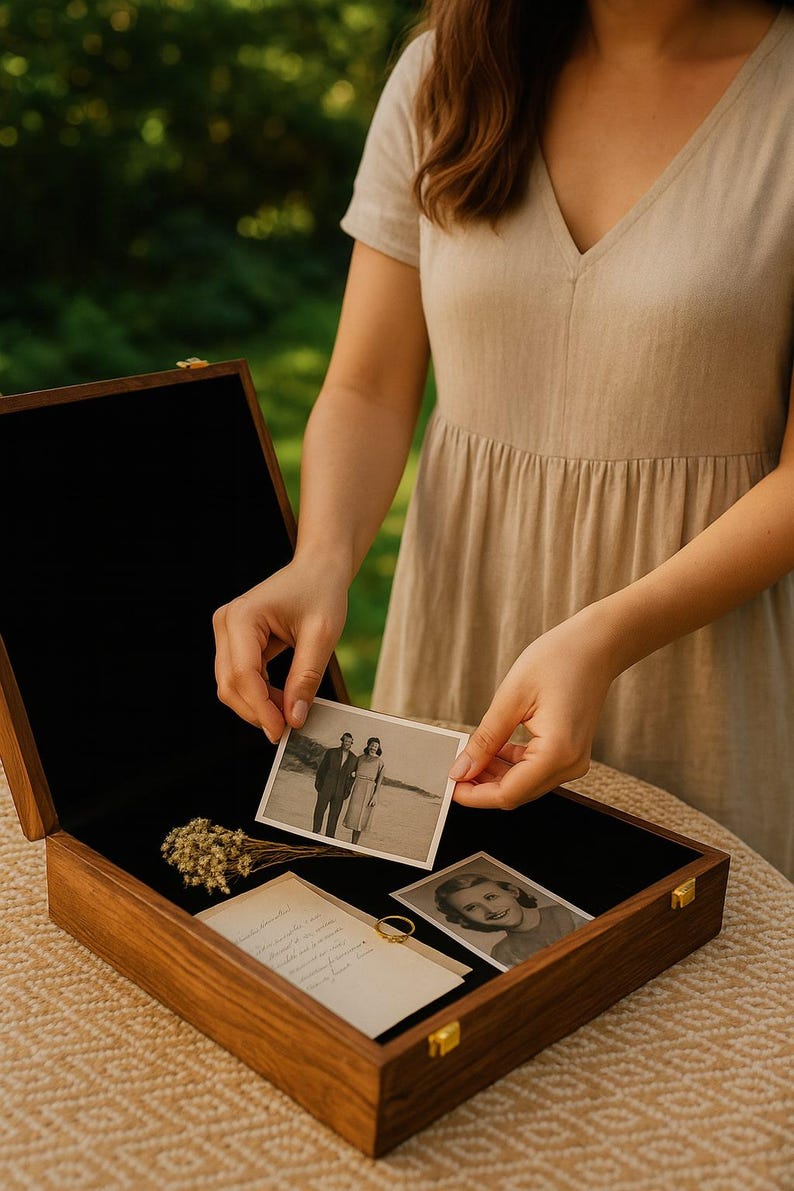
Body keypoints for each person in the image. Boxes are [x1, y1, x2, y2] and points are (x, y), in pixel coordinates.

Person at [213, 1, 794, 879]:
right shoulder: (443, 74)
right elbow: (368, 385)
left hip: (700, 667)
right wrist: (322, 557)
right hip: (461, 630)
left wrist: (604, 638)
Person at [434, 872, 582, 967]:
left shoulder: (569, 914)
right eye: (472, 908)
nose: (490, 910)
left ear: (513, 892)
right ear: (464, 918)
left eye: (491, 897)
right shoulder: (503, 954)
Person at [312, 731, 357, 837]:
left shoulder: (354, 759)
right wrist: (319, 785)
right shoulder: (331, 752)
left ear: (352, 743)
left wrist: (347, 791)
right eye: (346, 741)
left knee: (334, 815)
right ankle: (315, 832)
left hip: (340, 791)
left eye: (350, 742)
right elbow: (322, 769)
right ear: (342, 741)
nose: (347, 743)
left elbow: (352, 778)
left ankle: (329, 836)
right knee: (319, 810)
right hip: (326, 787)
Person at [343, 737, 385, 844]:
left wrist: (375, 796)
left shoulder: (380, 763)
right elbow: (351, 772)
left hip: (369, 790)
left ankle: (355, 843)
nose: (373, 748)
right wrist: (352, 775)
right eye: (372, 745)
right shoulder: (360, 758)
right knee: (354, 816)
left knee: (362, 817)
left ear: (378, 748)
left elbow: (379, 783)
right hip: (357, 788)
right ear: (368, 745)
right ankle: (353, 843)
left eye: (376, 746)